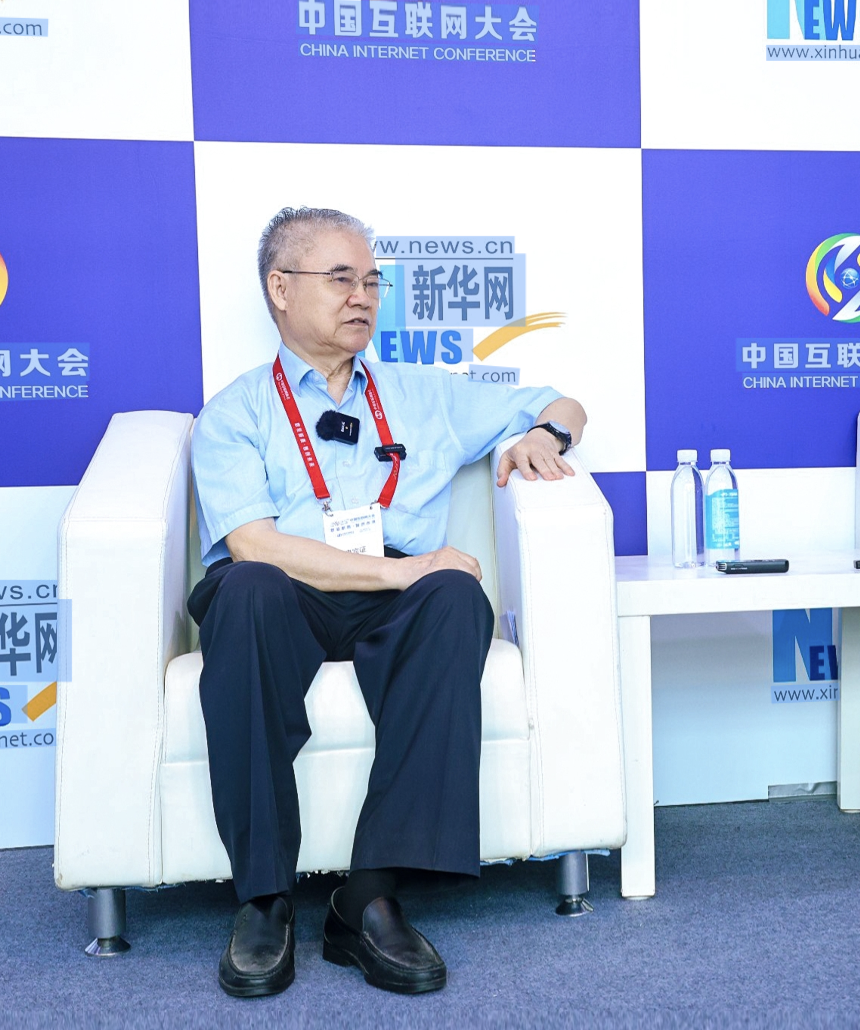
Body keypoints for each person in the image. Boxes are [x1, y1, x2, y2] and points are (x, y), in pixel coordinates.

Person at [189, 207, 587, 997]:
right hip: (285, 592)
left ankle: (369, 898)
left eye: (372, 281)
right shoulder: (236, 412)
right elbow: (255, 545)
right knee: (247, 589)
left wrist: (546, 438)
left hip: (392, 596)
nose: (362, 296)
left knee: (455, 596)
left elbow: (563, 403)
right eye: (341, 278)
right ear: (280, 288)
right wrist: (401, 573)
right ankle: (264, 899)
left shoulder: (423, 396)